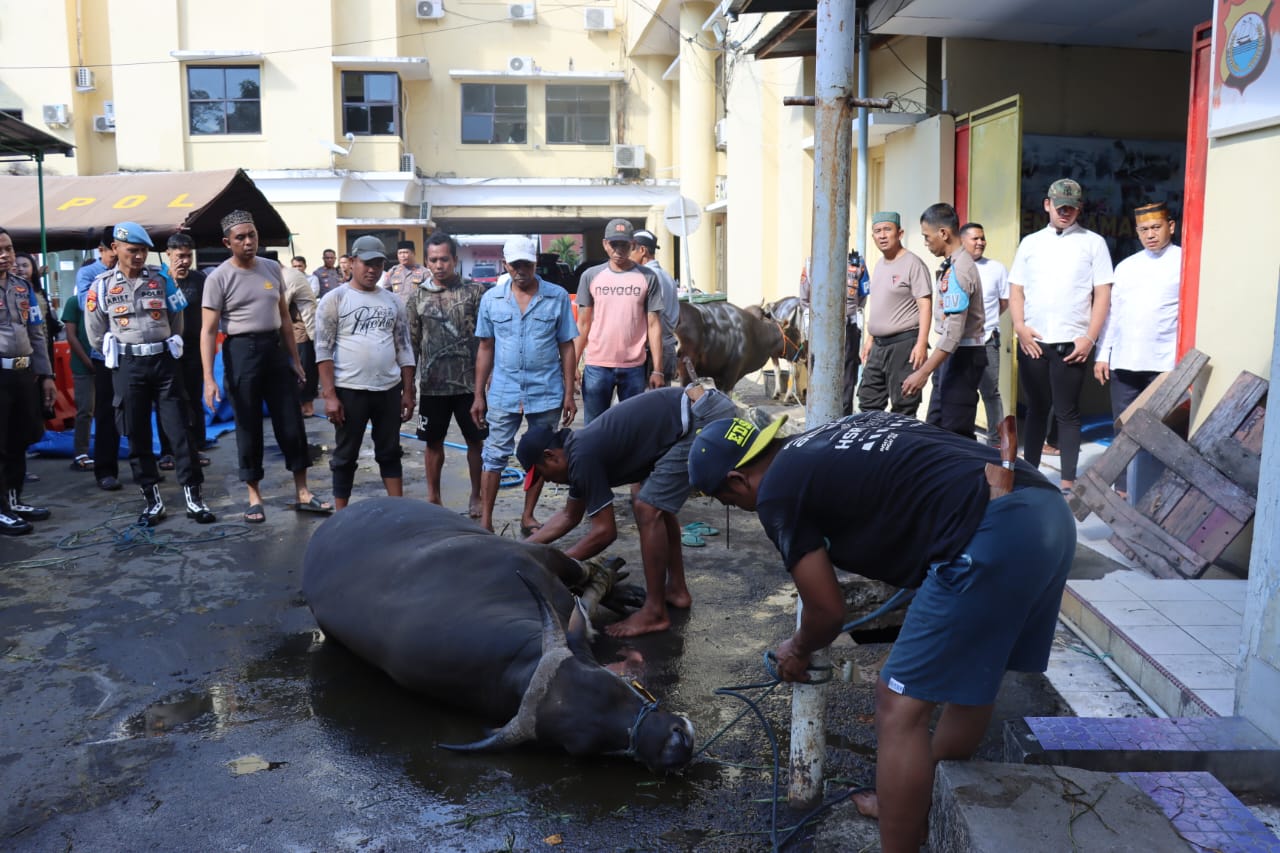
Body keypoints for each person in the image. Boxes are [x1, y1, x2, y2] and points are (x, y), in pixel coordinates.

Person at [688, 411, 1075, 852]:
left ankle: (902, 834)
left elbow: (826, 611)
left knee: (897, 703)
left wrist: (796, 649)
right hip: (1045, 513)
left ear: (737, 481)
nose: (736, 508)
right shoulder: (827, 438)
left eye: (727, 501)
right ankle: (909, 805)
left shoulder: (777, 491)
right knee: (973, 683)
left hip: (987, 530)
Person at [521, 383, 739, 637]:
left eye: (543, 475)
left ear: (550, 457)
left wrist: (558, 568)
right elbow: (569, 516)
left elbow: (605, 532)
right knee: (651, 501)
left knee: (647, 507)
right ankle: (676, 589)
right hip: (694, 412)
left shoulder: (581, 456)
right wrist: (523, 551)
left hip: (701, 415)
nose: (547, 481)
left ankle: (655, 612)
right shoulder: (577, 452)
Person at [201, 209, 332, 524]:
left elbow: (285, 318)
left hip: (274, 351)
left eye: (252, 235)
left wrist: (296, 361)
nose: (248, 242)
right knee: (248, 425)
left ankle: (302, 492)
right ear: (227, 242)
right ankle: (254, 496)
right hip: (240, 352)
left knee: (291, 422)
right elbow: (207, 331)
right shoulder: (219, 277)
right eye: (240, 238)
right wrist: (208, 378)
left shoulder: (272, 269)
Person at [85, 222, 216, 526]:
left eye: (144, 250)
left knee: (180, 429)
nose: (139, 256)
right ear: (115, 249)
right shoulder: (101, 285)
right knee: (137, 433)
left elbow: (177, 319)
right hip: (128, 367)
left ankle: (194, 498)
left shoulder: (163, 280)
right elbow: (95, 332)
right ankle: (152, 500)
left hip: (164, 362)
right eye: (133, 250)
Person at [1009, 178, 1113, 494]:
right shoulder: (1030, 243)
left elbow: (1103, 293)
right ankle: (1031, 476)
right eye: (1059, 206)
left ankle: (1067, 482)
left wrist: (1090, 338)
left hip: (1072, 342)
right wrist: (1019, 328)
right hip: (1034, 342)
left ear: (1079, 207)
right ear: (1047, 204)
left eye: (1071, 207)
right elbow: (1016, 289)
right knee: (1038, 409)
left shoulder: (1093, 243)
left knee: (1067, 412)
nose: (1065, 212)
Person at [472, 235, 578, 534]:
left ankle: (528, 516)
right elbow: (485, 347)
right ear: (505, 264)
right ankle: (485, 522)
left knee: (540, 453)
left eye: (526, 264)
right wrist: (478, 394)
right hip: (504, 391)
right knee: (494, 454)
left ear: (535, 264)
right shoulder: (491, 298)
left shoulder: (556, 296)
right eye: (515, 264)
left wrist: (570, 393)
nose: (521, 270)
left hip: (546, 390)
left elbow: (567, 346)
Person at [314, 236, 416, 510]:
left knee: (390, 452)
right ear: (353, 262)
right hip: (349, 390)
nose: (372, 270)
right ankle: (341, 515)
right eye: (367, 263)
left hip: (388, 390)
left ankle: (399, 511)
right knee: (345, 455)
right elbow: (323, 349)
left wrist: (408, 391)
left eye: (378, 264)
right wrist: (330, 395)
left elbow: (404, 348)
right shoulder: (334, 299)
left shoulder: (393, 301)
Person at [1094, 202, 1181, 494]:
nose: (1150, 235)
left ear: (1171, 226)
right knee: (1124, 428)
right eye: (1144, 229)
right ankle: (1122, 488)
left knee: (1161, 431)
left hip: (1164, 364)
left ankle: (1155, 490)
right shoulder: (1127, 267)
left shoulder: (1185, 262)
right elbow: (1112, 316)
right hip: (1124, 362)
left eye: (1156, 227)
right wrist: (1102, 355)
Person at [406, 231, 487, 515]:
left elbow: (486, 342)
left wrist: (485, 385)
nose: (439, 265)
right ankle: (433, 497)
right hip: (432, 385)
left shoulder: (475, 292)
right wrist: (409, 388)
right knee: (432, 443)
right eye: (433, 260)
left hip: (469, 385)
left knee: (476, 442)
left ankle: (476, 496)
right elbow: (411, 344)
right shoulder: (417, 296)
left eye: (444, 259)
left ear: (455, 259)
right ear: (426, 261)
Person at [575, 218, 664, 423]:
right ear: (606, 244)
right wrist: (573, 367)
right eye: (614, 244)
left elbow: (653, 324)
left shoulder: (648, 277)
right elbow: (583, 324)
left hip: (634, 367)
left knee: (631, 427)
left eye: (623, 244)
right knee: (594, 428)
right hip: (597, 366)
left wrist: (658, 369)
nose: (618, 250)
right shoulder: (591, 276)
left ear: (632, 244)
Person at [913, 203, 988, 439]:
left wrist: (923, 372)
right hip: (951, 356)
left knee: (955, 434)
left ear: (943, 233)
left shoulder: (959, 269)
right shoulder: (951, 265)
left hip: (962, 357)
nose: (926, 243)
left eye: (927, 237)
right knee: (936, 427)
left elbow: (954, 334)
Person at [0, 227, 55, 535]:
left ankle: (14, 500)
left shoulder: (23, 288)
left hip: (23, 374)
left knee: (18, 440)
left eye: (8, 249)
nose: (6, 255)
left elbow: (37, 333)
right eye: (0, 250)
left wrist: (46, 375)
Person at [856, 212, 932, 417]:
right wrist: (870, 339)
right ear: (873, 236)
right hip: (878, 346)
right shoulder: (879, 265)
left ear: (900, 233)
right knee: (868, 400)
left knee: (904, 404)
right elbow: (880, 305)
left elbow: (925, 305)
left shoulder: (913, 263)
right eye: (877, 231)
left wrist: (922, 343)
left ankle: (898, 447)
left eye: (887, 230)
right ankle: (872, 447)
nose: (882, 235)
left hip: (904, 344)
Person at [157, 234, 213, 468]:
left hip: (193, 350)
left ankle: (196, 446)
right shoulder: (158, 280)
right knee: (168, 400)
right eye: (180, 256)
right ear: (169, 254)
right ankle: (168, 450)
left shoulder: (200, 280)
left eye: (188, 256)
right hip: (166, 350)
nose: (184, 261)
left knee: (193, 399)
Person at [79, 227, 122, 490]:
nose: (118, 256)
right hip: (103, 353)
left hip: (132, 353)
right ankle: (106, 470)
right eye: (113, 250)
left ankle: (144, 468)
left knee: (135, 410)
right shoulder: (89, 274)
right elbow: (90, 308)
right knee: (105, 412)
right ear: (102, 250)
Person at [959, 223, 1009, 444]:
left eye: (983, 238)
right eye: (975, 239)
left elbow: (1004, 302)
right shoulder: (954, 266)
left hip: (988, 339)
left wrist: (986, 321)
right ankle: (963, 437)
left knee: (991, 392)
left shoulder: (996, 268)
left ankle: (995, 441)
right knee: (962, 392)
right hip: (959, 342)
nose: (980, 242)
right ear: (962, 241)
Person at [60, 259, 97, 472]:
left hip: (104, 364)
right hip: (83, 367)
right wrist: (87, 360)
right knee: (85, 410)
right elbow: (71, 336)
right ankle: (81, 452)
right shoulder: (75, 302)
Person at [630, 229, 679, 384]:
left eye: (630, 249)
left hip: (652, 351)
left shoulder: (647, 277)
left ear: (642, 251)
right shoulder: (666, 275)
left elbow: (646, 319)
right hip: (667, 348)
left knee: (642, 404)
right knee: (660, 402)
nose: (626, 254)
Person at [283, 266, 319, 418]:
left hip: (301, 328)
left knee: (304, 367)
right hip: (291, 328)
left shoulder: (287, 276)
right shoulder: (281, 274)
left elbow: (279, 305)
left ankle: (306, 405)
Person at [842, 250, 870, 415]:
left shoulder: (857, 264)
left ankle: (844, 414)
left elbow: (862, 295)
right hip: (823, 329)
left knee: (848, 371)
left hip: (849, 327)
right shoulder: (815, 260)